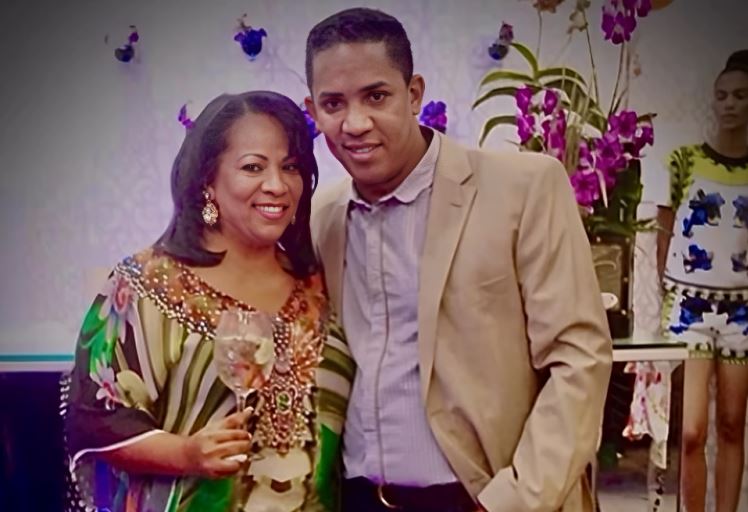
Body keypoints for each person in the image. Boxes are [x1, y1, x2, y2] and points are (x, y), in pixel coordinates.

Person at [304, 8, 613, 512]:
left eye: (376, 96)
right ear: (313, 111)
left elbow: (579, 357)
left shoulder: (522, 188)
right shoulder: (322, 217)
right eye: (333, 103)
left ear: (414, 94)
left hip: (482, 497)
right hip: (358, 497)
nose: (355, 123)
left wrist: (511, 501)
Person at [63, 91, 354, 512]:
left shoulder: (319, 280)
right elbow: (94, 421)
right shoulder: (146, 284)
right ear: (207, 181)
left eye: (290, 167)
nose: (277, 185)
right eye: (253, 167)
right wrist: (186, 454)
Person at [657, 50, 748, 512]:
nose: (730, 104)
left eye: (740, 96)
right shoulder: (684, 161)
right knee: (691, 430)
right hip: (690, 307)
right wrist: (664, 288)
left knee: (732, 424)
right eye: (722, 95)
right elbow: (663, 226)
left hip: (742, 311)